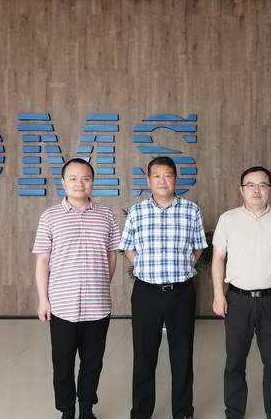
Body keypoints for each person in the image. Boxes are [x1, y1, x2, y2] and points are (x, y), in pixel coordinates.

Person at [119, 156, 208, 419]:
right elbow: (128, 248)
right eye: (157, 176)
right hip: (146, 293)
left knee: (182, 354)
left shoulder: (191, 210)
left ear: (175, 179)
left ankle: (183, 411)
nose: (162, 180)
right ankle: (141, 412)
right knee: (144, 354)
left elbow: (198, 248)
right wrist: (147, 268)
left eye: (168, 175)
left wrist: (180, 268)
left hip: (181, 292)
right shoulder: (137, 212)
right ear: (148, 181)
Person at [33, 158, 120, 419]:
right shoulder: (50, 216)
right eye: (73, 178)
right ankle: (67, 410)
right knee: (62, 363)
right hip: (62, 304)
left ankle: (86, 409)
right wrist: (43, 299)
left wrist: (101, 283)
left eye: (85, 178)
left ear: (92, 182)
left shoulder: (106, 215)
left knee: (93, 362)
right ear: (63, 182)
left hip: (98, 305)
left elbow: (112, 254)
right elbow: (43, 260)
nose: (79, 183)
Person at [211, 166, 271, 419]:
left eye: (262, 185)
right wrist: (218, 294)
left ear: (270, 189)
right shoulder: (228, 219)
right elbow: (218, 258)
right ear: (241, 190)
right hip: (236, 299)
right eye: (250, 185)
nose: (256, 190)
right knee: (234, 361)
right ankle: (234, 412)